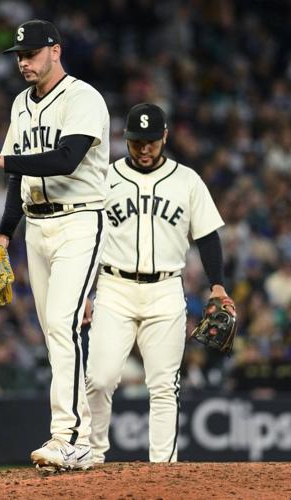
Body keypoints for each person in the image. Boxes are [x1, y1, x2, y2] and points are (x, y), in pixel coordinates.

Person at [0, 19, 110, 471]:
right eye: (18, 56)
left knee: (63, 326)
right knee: (54, 335)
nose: (23, 62)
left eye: (30, 53)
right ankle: (81, 437)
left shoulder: (84, 98)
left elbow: (66, 159)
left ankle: (67, 436)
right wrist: (4, 236)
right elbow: (19, 177)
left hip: (80, 220)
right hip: (36, 228)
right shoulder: (21, 105)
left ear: (55, 51)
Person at [84, 103, 235, 463]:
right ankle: (90, 457)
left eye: (152, 141)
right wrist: (84, 290)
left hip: (166, 289)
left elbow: (208, 237)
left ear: (165, 137)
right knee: (100, 379)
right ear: (126, 139)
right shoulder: (106, 177)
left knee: (164, 386)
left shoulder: (187, 180)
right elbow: (87, 235)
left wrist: (218, 285)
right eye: (138, 142)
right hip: (113, 287)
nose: (145, 149)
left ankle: (162, 472)